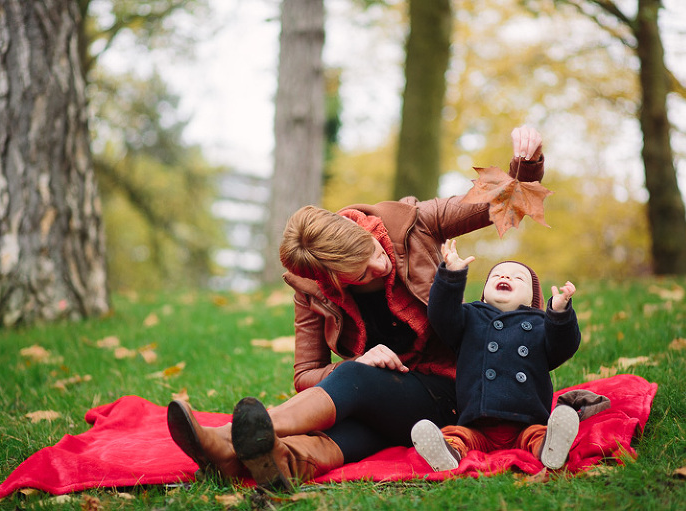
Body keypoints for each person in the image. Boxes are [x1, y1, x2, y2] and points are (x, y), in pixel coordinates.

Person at [167, 126, 546, 491]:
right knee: (354, 406)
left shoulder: (414, 224)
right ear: (333, 280)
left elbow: (501, 203)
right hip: (392, 406)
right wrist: (358, 362)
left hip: (455, 399)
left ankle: (224, 440)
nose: (380, 267)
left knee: (355, 382)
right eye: (362, 273)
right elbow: (306, 375)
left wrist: (524, 164)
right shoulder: (314, 292)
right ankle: (279, 462)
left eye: (373, 253)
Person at [410, 239, 581, 472]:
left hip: (527, 419)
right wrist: (451, 276)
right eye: (497, 275)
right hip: (477, 421)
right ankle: (447, 452)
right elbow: (442, 316)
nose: (506, 277)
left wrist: (559, 315)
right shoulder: (469, 317)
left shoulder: (540, 324)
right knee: (458, 436)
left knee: (537, 435)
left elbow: (563, 347)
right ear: (483, 295)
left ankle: (550, 448)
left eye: (518, 278)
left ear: (533, 301)